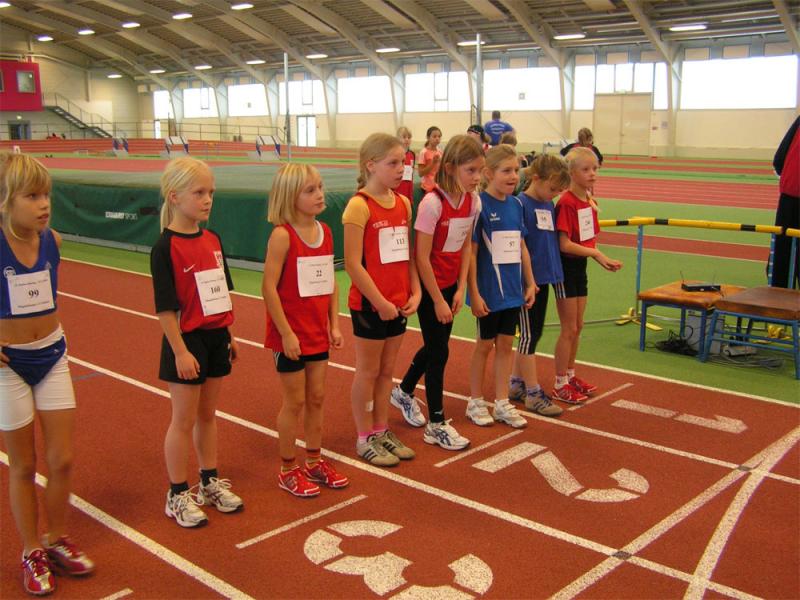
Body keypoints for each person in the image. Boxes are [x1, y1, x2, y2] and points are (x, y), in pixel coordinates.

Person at [0, 153, 94, 596]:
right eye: (32, 196)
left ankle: (56, 538)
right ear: (6, 200)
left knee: (62, 459)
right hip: (9, 366)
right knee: (24, 464)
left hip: (52, 355)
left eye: (47, 196)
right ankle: (31, 549)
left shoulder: (52, 240)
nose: (44, 205)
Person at [150, 156, 243, 527]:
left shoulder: (212, 239)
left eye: (211, 193)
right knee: (183, 420)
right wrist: (180, 351)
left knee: (208, 415)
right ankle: (176, 494)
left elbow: (220, 291)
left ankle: (209, 483)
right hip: (186, 341)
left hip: (216, 336)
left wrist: (229, 333)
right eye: (199, 193)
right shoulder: (165, 247)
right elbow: (165, 309)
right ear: (175, 197)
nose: (208, 200)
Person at [391, 135, 485, 450]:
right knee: (439, 352)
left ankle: (404, 391)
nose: (477, 177)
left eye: (479, 171)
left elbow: (466, 247)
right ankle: (436, 423)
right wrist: (437, 299)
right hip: (429, 285)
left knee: (437, 346)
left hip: (449, 285)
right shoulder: (432, 204)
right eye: (470, 171)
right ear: (451, 168)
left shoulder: (473, 202)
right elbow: (421, 257)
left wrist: (461, 288)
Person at [262, 163, 348, 497]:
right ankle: (287, 468)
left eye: (320, 187)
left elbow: (330, 282)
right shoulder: (282, 236)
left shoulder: (325, 231)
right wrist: (285, 333)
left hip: (317, 332)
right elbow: (269, 288)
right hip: (290, 335)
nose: (320, 195)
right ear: (290, 197)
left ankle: (314, 461)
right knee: (295, 401)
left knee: (317, 397)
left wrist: (334, 324)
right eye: (310, 190)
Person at [343, 133, 421, 466]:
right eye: (393, 163)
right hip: (370, 305)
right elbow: (352, 264)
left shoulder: (403, 203)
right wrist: (379, 301)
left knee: (387, 370)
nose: (401, 168)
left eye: (403, 162)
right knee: (368, 371)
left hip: (398, 302)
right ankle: (364, 437)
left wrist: (416, 292)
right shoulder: (359, 206)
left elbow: (408, 256)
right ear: (370, 165)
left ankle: (381, 429)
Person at [466, 144, 535, 429]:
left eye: (516, 170)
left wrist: (530, 282)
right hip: (489, 291)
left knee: (506, 344)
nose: (513, 176)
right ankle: (475, 401)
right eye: (506, 171)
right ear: (488, 173)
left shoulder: (517, 204)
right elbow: (471, 253)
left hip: (513, 291)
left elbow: (522, 246)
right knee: (484, 345)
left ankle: (502, 401)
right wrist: (474, 292)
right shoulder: (479, 205)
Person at [552, 147, 621, 403]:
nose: (592, 174)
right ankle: (560, 382)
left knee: (578, 326)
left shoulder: (590, 200)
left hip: (580, 267)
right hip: (565, 269)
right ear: (571, 173)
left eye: (595, 169)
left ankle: (570, 375)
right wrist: (596, 254)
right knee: (568, 327)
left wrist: (599, 256)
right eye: (586, 169)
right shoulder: (567, 202)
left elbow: (588, 239)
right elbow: (564, 244)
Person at [508, 155, 571, 417]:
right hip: (527, 282)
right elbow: (520, 247)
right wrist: (527, 281)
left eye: (558, 191)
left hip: (544, 278)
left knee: (534, 333)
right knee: (528, 335)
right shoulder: (521, 204)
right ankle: (533, 393)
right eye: (552, 188)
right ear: (536, 179)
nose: (554, 194)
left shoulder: (548, 203)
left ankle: (516, 383)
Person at [771, 116, 799, 288]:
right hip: (791, 194)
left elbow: (779, 160)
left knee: (782, 258)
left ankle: (778, 299)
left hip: (789, 198)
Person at [418, 126, 443, 195]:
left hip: (439, 186)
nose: (437, 138)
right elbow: (420, 173)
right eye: (434, 136)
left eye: (439, 136)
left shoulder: (440, 151)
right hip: (428, 187)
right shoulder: (423, 152)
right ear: (428, 137)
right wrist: (433, 163)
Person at [395, 126, 416, 203]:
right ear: (397, 139)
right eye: (404, 137)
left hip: (408, 189)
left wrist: (411, 191)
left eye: (409, 137)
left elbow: (411, 175)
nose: (407, 139)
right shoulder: (394, 154)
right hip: (397, 189)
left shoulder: (412, 154)